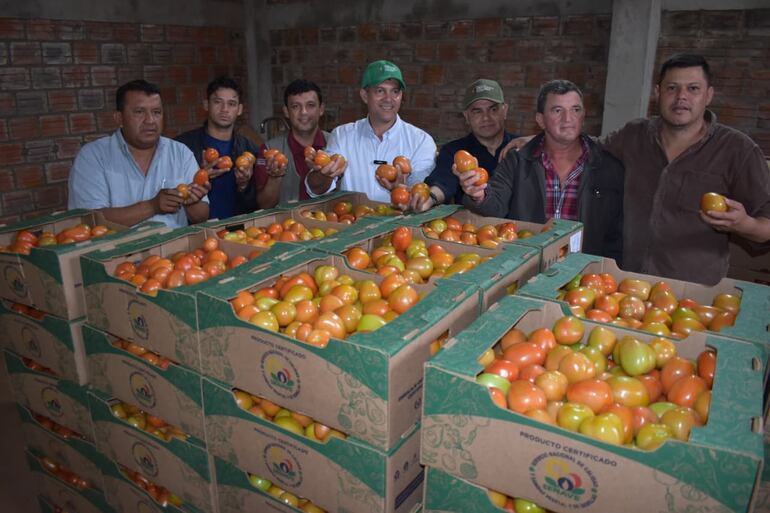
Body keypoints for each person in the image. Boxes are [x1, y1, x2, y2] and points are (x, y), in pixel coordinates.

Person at [502, 54, 770, 283]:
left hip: (692, 292)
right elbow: (591, 145)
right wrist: (540, 139)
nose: (681, 97)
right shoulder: (634, 136)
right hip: (626, 284)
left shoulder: (737, 150)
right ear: (657, 92)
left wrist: (744, 224)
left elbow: (766, 224)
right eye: (672, 88)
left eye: (693, 89)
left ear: (709, 94)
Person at [458, 80, 625, 262]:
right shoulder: (517, 162)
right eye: (557, 110)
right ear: (541, 120)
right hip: (526, 267)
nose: (568, 119)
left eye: (575, 110)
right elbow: (495, 204)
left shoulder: (608, 168)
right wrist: (478, 194)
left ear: (583, 115)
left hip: (585, 277)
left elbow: (616, 236)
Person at [68, 79, 209, 228]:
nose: (150, 120)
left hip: (175, 250)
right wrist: (152, 206)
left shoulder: (181, 153)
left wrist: (192, 202)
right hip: (119, 251)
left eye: (156, 112)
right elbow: (89, 222)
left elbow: (201, 217)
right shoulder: (93, 157)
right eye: (139, 112)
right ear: (119, 118)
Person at [305, 60, 437, 203]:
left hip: (401, 224)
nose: (389, 99)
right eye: (380, 91)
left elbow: (422, 197)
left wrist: (401, 190)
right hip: (351, 223)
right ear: (364, 95)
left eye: (395, 91)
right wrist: (324, 174)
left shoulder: (421, 141)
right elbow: (316, 190)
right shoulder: (342, 135)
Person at [413, 78, 517, 212]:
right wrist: (430, 198)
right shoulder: (454, 151)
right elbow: (443, 182)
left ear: (505, 111)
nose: (486, 117)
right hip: (469, 230)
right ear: (466, 116)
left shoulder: (521, 149)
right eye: (477, 111)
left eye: (493, 109)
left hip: (517, 229)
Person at [176, 76, 263, 219]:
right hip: (197, 232)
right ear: (206, 104)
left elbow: (258, 205)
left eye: (232, 104)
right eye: (218, 102)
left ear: (239, 109)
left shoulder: (250, 150)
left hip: (238, 232)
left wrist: (244, 185)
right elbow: (172, 195)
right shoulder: (183, 147)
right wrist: (199, 178)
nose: (224, 109)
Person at [254, 79, 330, 205]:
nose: (303, 112)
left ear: (321, 109)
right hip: (285, 224)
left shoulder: (336, 143)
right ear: (286, 111)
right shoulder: (269, 150)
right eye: (295, 106)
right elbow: (264, 205)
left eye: (310, 105)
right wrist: (275, 177)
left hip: (332, 223)